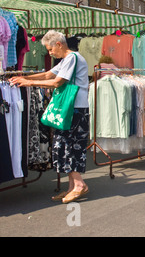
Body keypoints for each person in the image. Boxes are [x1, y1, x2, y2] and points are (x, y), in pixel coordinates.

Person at [9, 30, 90, 204]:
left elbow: (56, 82)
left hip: (75, 108)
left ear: (58, 44)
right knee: (63, 144)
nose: (50, 53)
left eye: (50, 49)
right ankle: (72, 186)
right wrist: (23, 77)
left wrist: (29, 82)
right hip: (70, 109)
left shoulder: (72, 58)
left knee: (70, 145)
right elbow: (48, 75)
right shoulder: (67, 60)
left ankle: (79, 185)